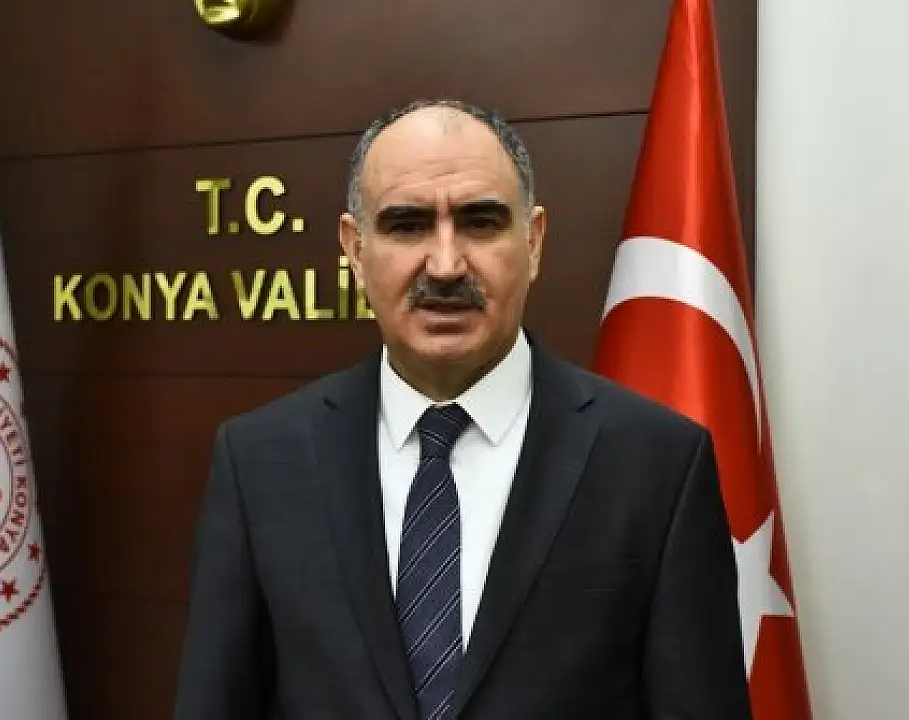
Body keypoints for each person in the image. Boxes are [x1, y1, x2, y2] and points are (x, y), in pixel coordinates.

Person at [174, 99, 752, 719]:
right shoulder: (260, 462)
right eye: (407, 225)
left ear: (533, 241)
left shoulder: (658, 463)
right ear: (354, 249)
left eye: (480, 223)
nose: (446, 265)